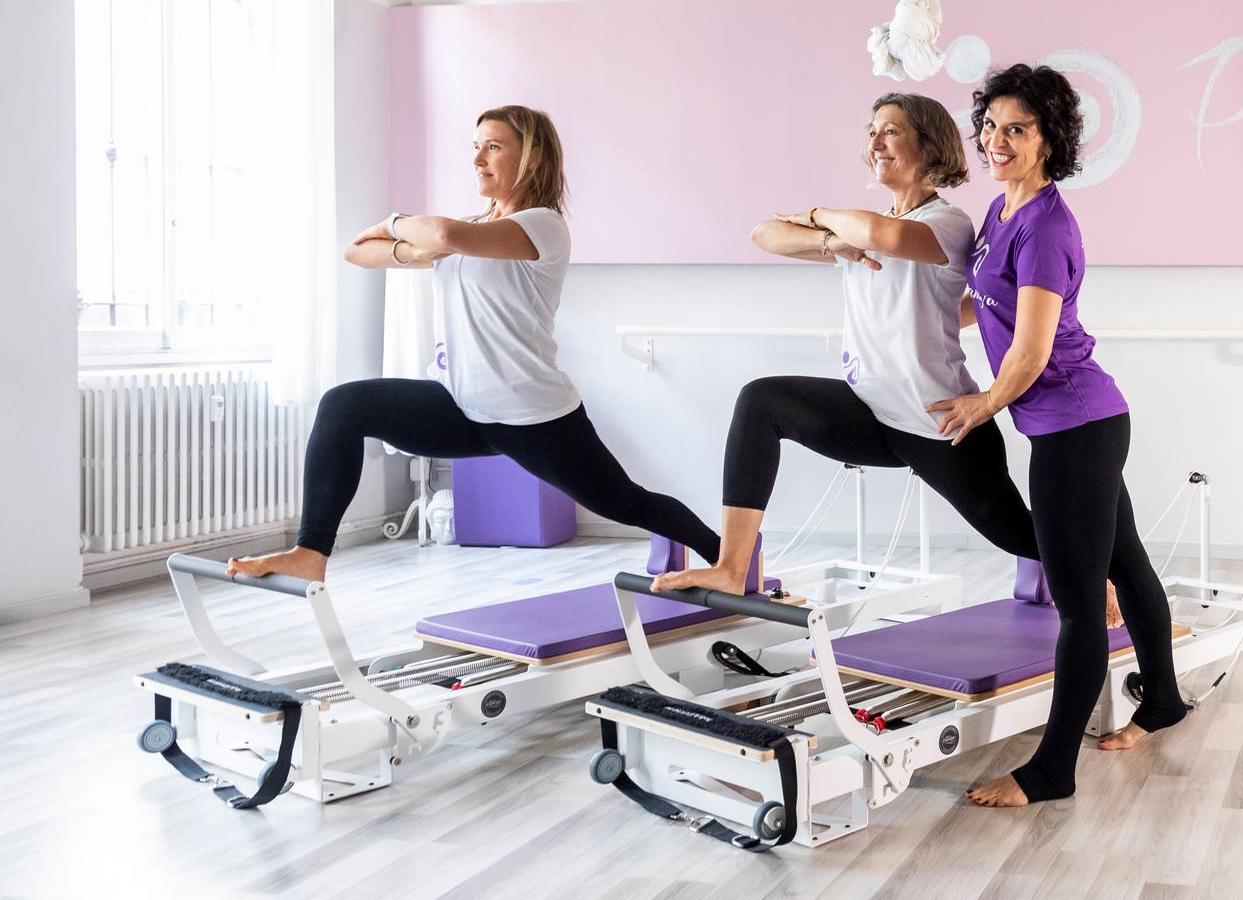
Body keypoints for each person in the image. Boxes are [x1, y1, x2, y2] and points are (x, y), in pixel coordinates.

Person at [228, 106, 720, 582]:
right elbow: (357, 250)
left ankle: (727, 559)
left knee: (625, 502)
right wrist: (410, 247)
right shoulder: (473, 231)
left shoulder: (542, 225)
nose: (478, 159)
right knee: (344, 405)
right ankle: (310, 552)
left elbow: (442, 233)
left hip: (530, 415)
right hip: (458, 405)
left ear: (533, 157)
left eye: (493, 147)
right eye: (476, 146)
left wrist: (398, 222)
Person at [652, 93, 1045, 597]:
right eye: (872, 131)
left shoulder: (946, 225)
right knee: (761, 400)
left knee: (1016, 532)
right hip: (869, 411)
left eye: (891, 131)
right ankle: (731, 566)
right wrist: (829, 243)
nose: (875, 142)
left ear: (928, 146)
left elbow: (884, 235)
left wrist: (820, 215)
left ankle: (1097, 574)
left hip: (936, 420)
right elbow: (764, 234)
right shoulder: (855, 233)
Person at [926, 65, 1188, 807]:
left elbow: (1032, 352)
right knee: (1127, 565)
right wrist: (911, 326)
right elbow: (987, 302)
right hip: (1080, 423)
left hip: (1075, 426)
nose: (996, 140)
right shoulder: (1002, 208)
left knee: (1078, 605)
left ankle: (1051, 771)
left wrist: (982, 404)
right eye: (991, 126)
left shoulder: (1045, 227)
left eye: (1017, 128)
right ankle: (1164, 701)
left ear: (1050, 140)